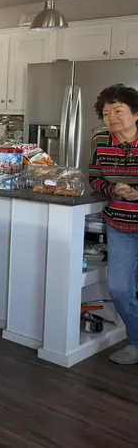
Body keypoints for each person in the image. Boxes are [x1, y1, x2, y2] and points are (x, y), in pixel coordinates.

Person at [89, 84, 138, 364]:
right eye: (106, 113)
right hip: (120, 225)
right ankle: (136, 342)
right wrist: (113, 189)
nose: (112, 117)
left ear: (136, 113)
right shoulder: (100, 140)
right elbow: (94, 177)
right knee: (120, 288)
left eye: (118, 110)